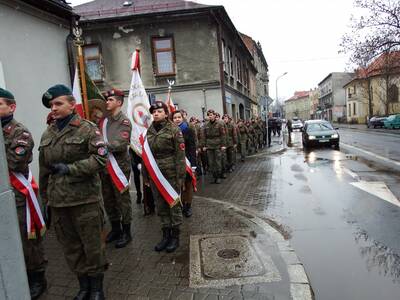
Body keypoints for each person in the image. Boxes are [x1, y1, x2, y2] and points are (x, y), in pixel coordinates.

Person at [39, 84, 108, 300]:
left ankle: (97, 288)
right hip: (59, 203)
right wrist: (45, 200)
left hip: (84, 200)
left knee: (92, 247)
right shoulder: (48, 133)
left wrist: (71, 169)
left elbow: (100, 159)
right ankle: (84, 286)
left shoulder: (87, 129)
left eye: (58, 103)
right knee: (71, 248)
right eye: (51, 105)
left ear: (71, 104)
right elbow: (43, 171)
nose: (54, 108)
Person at [1, 88, 47, 299]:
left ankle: (37, 278)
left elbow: (13, 162)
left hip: (19, 195)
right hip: (4, 196)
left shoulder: (20, 132)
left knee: (27, 239)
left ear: (12, 107)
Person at [142, 101, 186, 253]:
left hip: (171, 174)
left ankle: (175, 236)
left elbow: (180, 156)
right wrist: (146, 176)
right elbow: (145, 155)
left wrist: (180, 178)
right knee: (160, 205)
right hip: (155, 174)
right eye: (153, 111)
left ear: (166, 114)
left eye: (159, 111)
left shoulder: (174, 130)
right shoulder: (149, 131)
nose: (156, 113)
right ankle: (165, 235)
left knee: (173, 205)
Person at [100, 88, 133, 249]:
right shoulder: (105, 122)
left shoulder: (124, 122)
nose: (107, 102)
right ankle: (116, 229)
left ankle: (127, 232)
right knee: (108, 199)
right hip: (105, 167)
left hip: (119, 167)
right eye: (107, 100)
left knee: (122, 200)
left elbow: (120, 144)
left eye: (110, 100)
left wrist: (100, 146)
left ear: (119, 102)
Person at [172, 110, 197, 218]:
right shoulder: (170, 131)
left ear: (182, 118)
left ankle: (188, 206)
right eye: (174, 118)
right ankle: (180, 205)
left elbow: (192, 148)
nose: (177, 119)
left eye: (179, 117)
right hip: (175, 162)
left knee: (188, 185)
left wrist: (194, 165)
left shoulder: (188, 130)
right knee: (178, 185)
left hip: (187, 162)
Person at [200, 110, 226, 184]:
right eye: (209, 115)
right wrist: (204, 146)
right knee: (211, 162)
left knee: (218, 161)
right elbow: (203, 136)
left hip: (217, 145)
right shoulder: (206, 125)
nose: (210, 116)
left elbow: (223, 135)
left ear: (214, 115)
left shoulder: (219, 124)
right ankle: (214, 176)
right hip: (209, 145)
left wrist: (223, 145)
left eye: (211, 115)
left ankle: (218, 177)